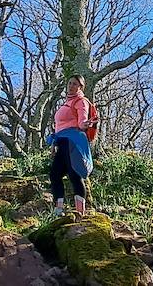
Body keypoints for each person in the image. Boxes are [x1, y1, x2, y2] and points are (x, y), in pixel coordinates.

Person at [48, 74, 96, 217]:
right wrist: (54, 144)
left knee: (74, 174)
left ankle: (80, 211)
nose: (71, 86)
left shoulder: (81, 101)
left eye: (75, 84)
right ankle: (59, 209)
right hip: (61, 142)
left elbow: (82, 119)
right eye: (69, 83)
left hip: (73, 142)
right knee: (55, 174)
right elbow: (59, 127)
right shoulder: (66, 103)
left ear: (81, 87)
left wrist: (84, 125)